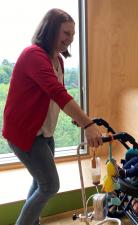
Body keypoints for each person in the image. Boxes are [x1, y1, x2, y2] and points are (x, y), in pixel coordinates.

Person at [2, 9, 103, 225]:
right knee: (49, 185)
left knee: (41, 182)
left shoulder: (57, 60)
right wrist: (88, 123)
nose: (70, 39)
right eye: (66, 33)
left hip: (44, 132)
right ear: (50, 30)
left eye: (73, 35)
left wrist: (76, 119)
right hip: (26, 133)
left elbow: (55, 96)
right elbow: (57, 92)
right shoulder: (33, 55)